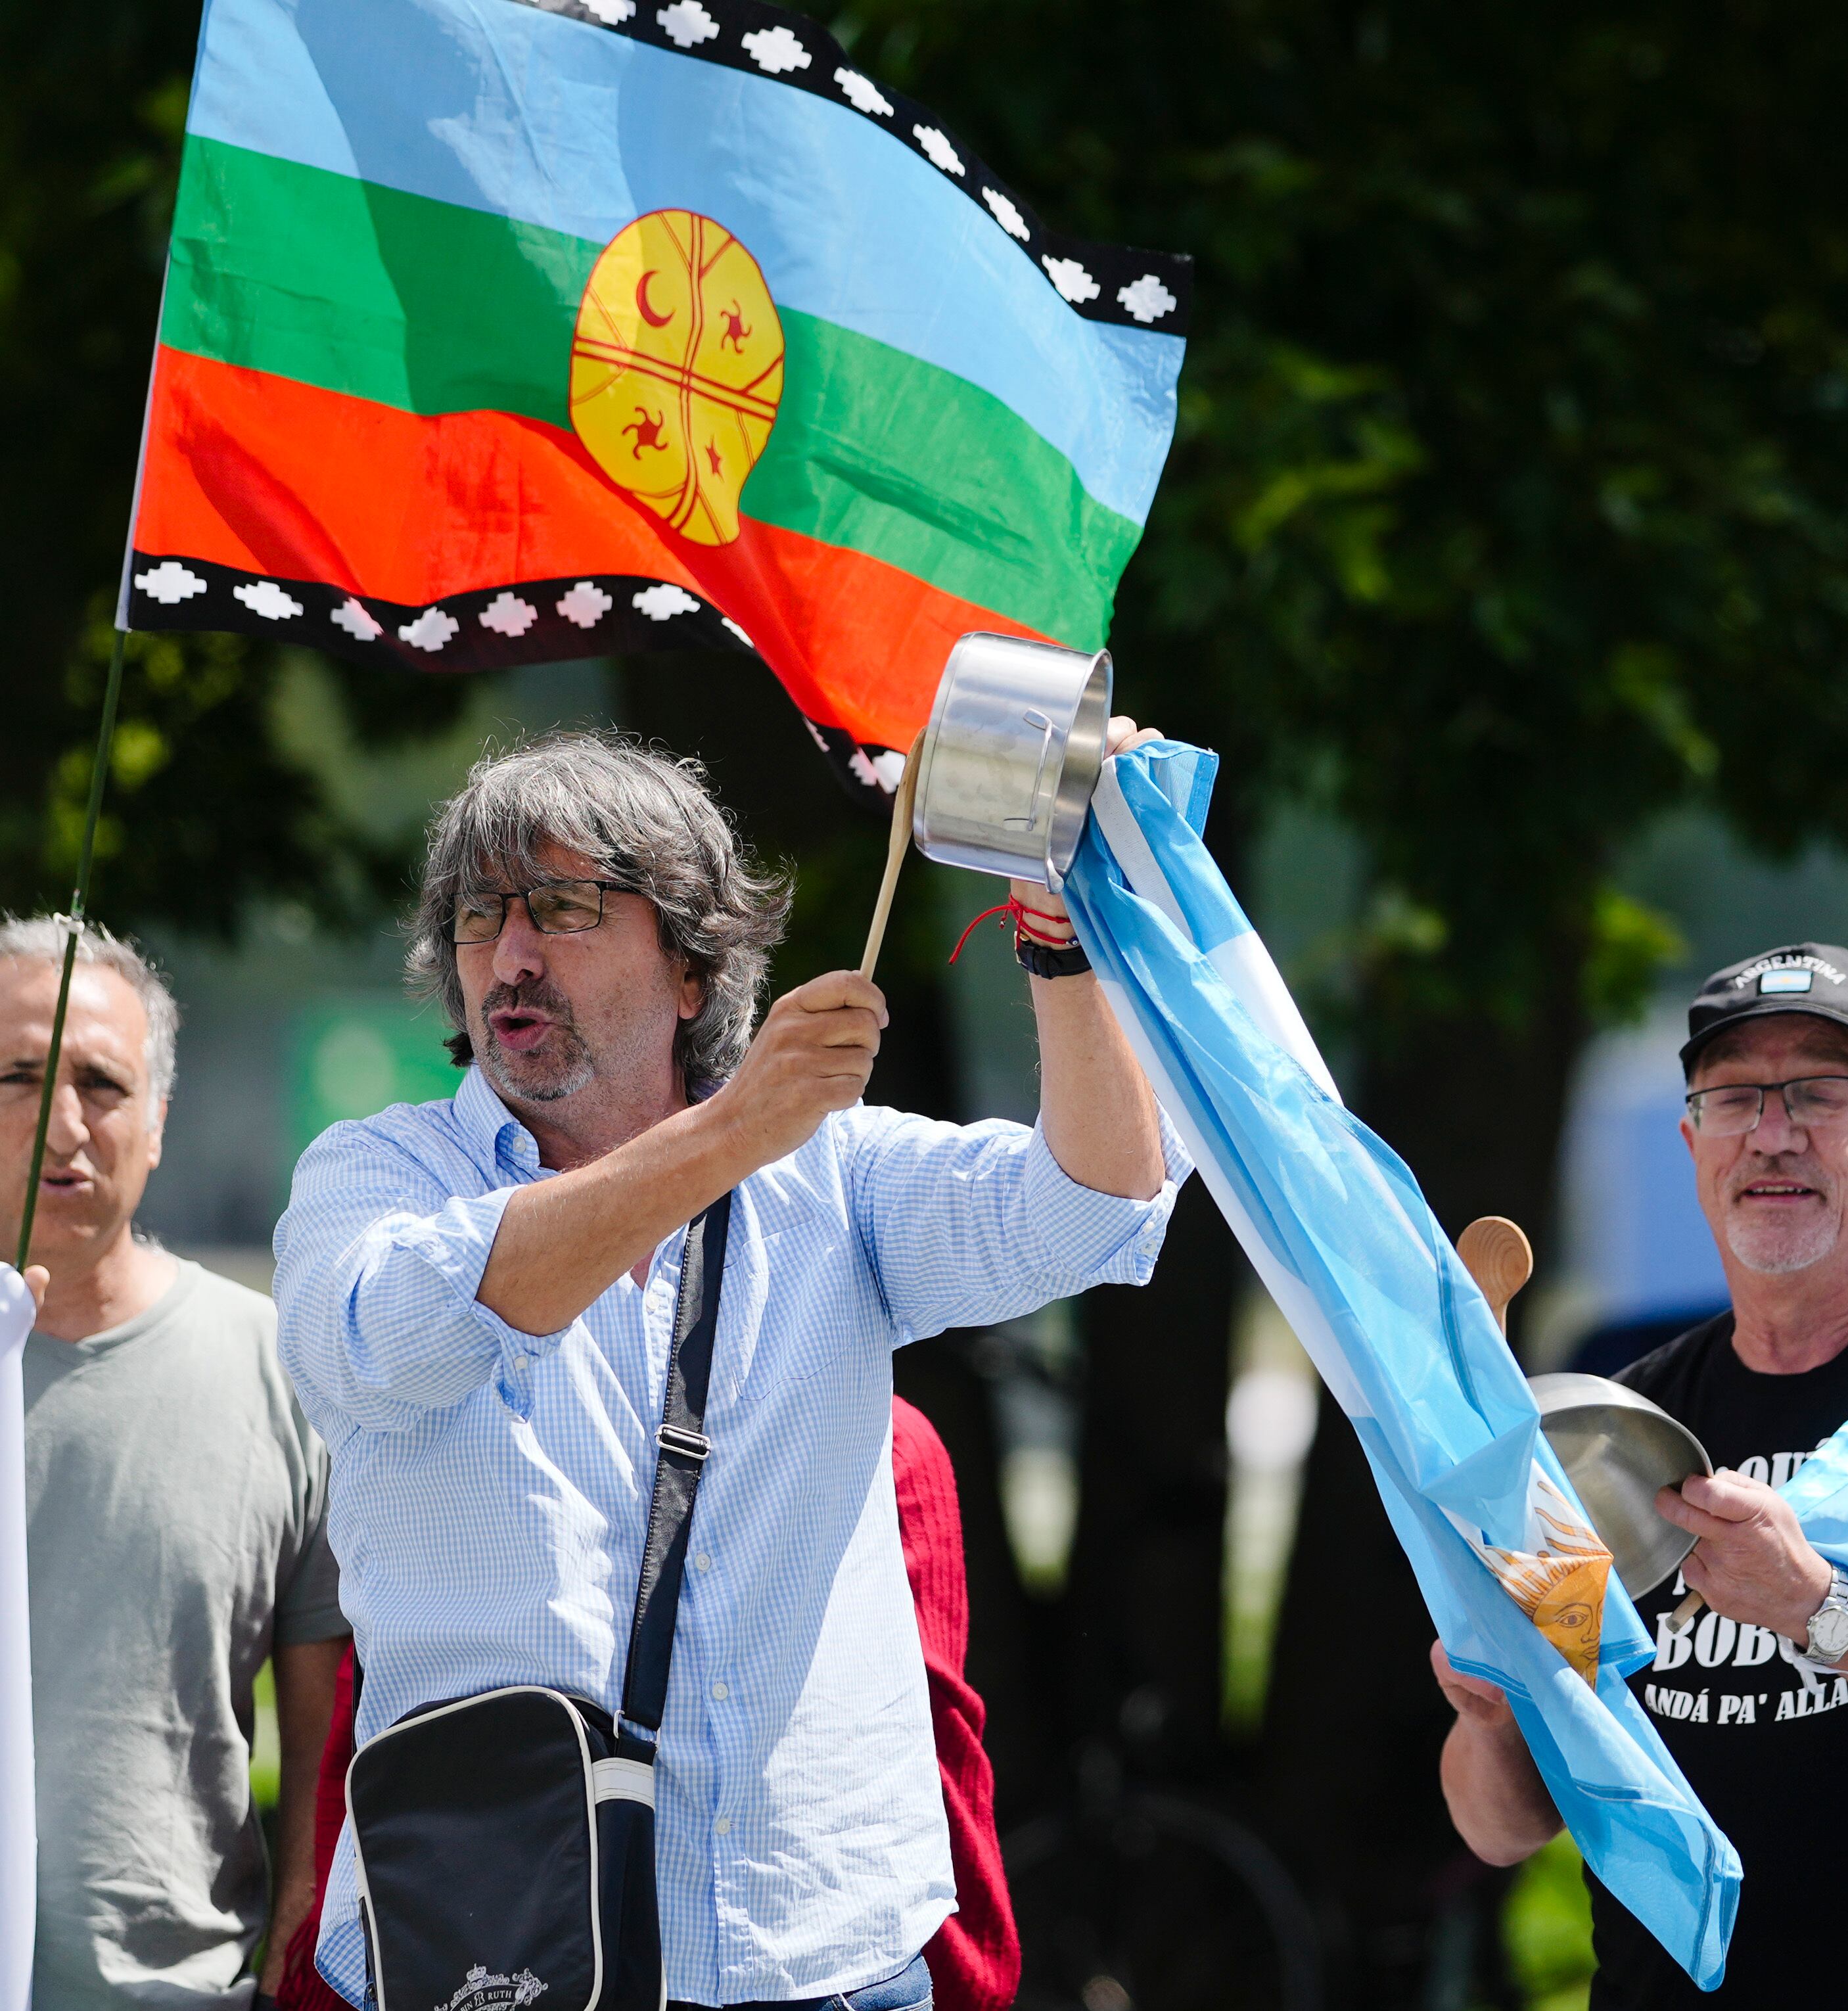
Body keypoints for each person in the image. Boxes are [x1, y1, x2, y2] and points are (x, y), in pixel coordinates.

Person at [273, 731, 1186, 2011]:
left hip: (819, 1958)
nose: (511, 955)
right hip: (495, 1964)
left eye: (567, 905)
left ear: (695, 970)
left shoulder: (831, 1170)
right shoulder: (379, 1173)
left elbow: (1096, 1203)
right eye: (480, 917)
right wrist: (732, 1132)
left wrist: (1062, 937)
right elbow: (389, 1334)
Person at [1429, 943, 1848, 2010]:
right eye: (1736, 1095)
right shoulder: (1613, 1429)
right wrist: (1491, 1713)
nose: (1774, 1131)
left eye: (1823, 1093)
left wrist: (1823, 1613)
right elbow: (1505, 1825)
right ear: (1693, 1139)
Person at [269, 1395, 1021, 2011]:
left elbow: (381, 1748)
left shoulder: (454, 1419)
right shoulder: (884, 1443)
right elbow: (931, 1763)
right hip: (798, 1963)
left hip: (498, 1958)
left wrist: (307, 1975)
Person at [0, 917, 350, 2009]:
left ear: (158, 1124)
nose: (63, 1125)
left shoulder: (278, 1375)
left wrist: (290, 1966)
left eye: (102, 1085)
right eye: (16, 1074)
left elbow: (324, 1752)